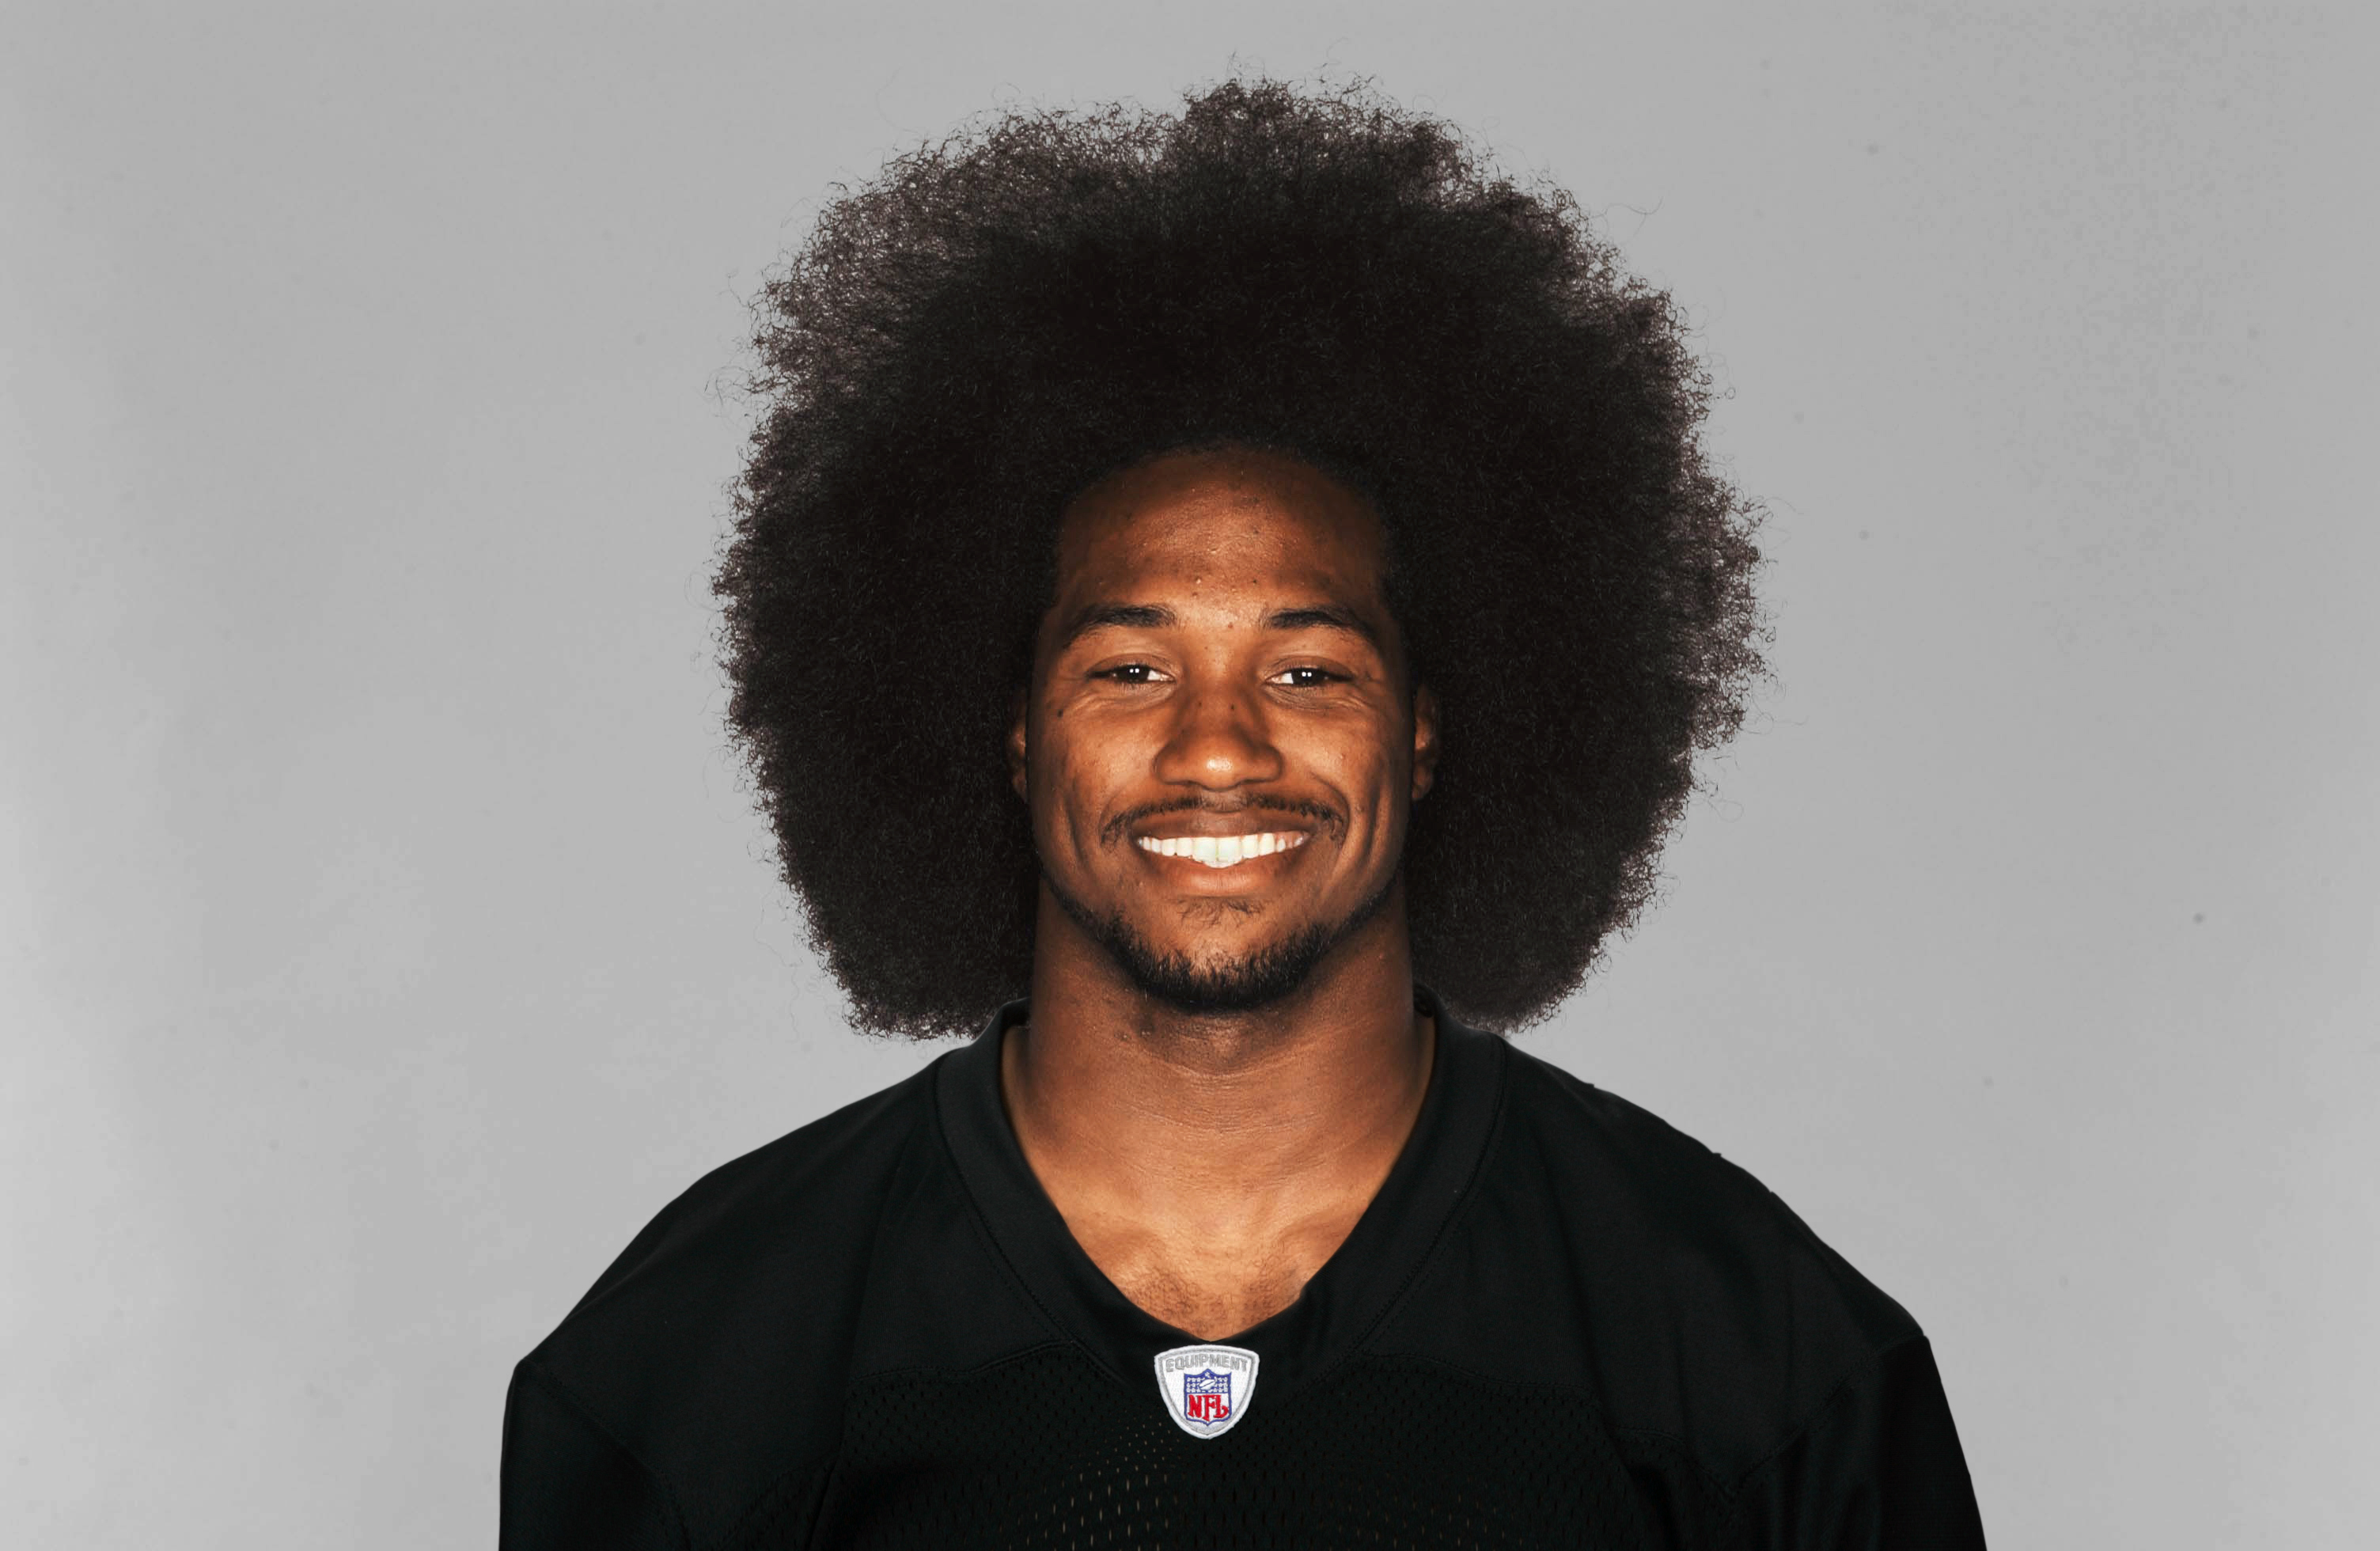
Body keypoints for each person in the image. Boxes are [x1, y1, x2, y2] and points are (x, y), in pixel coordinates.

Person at [499, 78, 1986, 1549]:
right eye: (1132, 666)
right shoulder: (694, 1365)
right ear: (1016, 737)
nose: (1220, 745)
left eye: (1307, 665)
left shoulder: (1759, 1363)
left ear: (1426, 733)